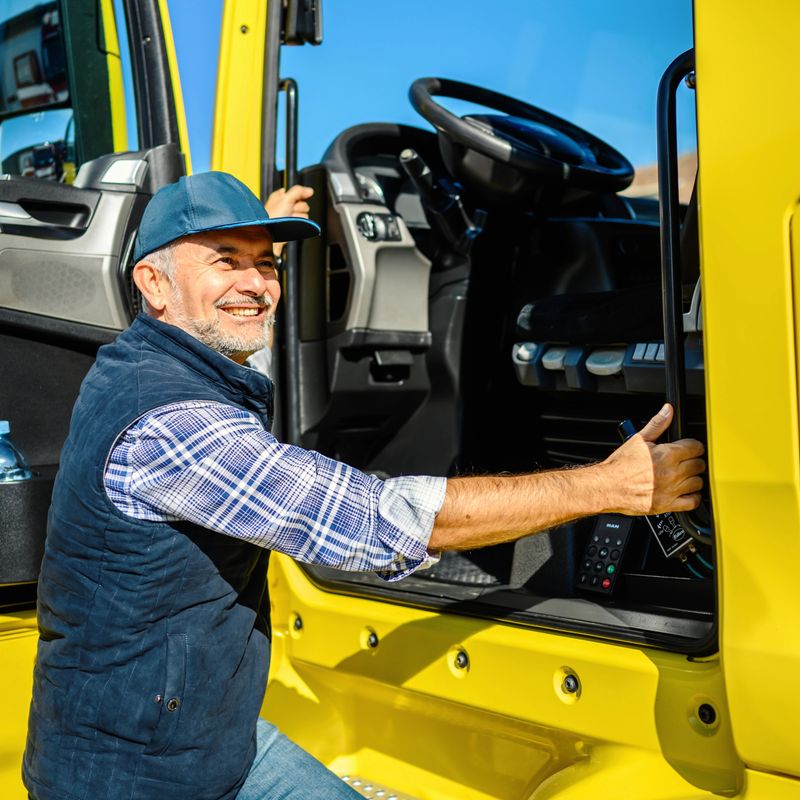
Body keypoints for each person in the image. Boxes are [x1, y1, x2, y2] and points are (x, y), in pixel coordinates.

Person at [23, 172, 705, 800]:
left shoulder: (160, 357)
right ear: (153, 284)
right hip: (132, 772)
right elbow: (379, 523)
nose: (258, 284)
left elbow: (227, 311)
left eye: (268, 263)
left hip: (207, 737)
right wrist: (610, 485)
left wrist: (248, 242)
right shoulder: (171, 424)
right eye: (225, 259)